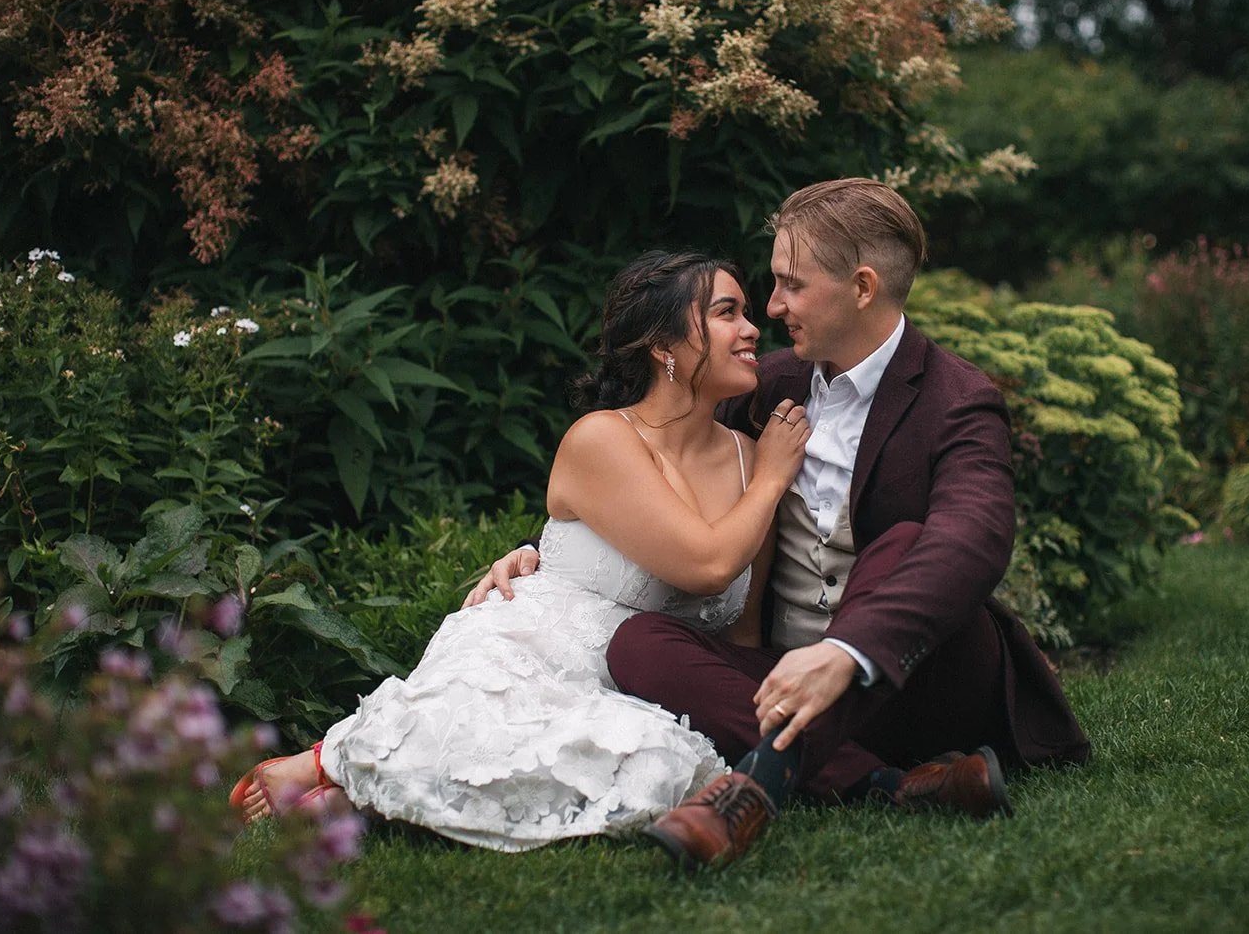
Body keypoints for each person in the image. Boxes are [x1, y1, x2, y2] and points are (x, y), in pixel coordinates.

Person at [482, 179, 1090, 868]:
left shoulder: (958, 400)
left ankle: (761, 780)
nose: (771, 307)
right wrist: (551, 552)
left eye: (790, 285)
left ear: (862, 288)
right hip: (772, 678)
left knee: (904, 540)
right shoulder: (765, 385)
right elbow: (653, 473)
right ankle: (891, 786)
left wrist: (846, 652)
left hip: (917, 679)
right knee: (638, 644)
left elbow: (972, 538)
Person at [229, 250, 813, 851]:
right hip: (532, 654)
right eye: (727, 313)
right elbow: (709, 565)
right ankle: (330, 764)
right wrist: (772, 480)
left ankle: (357, 798)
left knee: (657, 764)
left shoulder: (752, 458)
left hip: (638, 684)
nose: (752, 329)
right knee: (499, 734)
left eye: (746, 312)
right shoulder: (602, 438)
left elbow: (739, 636)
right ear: (663, 345)